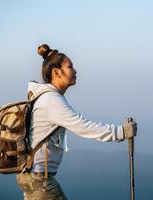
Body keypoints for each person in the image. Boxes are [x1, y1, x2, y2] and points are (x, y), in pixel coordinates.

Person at [16, 44, 138, 200]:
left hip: (30, 176)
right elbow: (82, 126)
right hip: (39, 179)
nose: (75, 71)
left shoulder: (43, 96)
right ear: (56, 72)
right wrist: (121, 132)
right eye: (70, 67)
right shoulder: (51, 99)